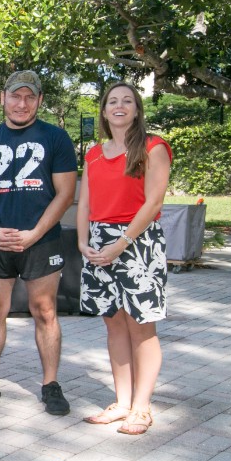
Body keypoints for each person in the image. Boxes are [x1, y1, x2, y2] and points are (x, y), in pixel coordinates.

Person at [0, 70, 77, 415]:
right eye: (15, 96)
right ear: (3, 98)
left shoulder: (56, 138)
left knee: (45, 311)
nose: (21, 103)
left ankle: (50, 384)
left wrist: (35, 234)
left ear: (39, 100)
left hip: (40, 239)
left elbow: (66, 193)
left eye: (29, 97)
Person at [78, 82, 172, 435]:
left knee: (141, 327)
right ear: (103, 111)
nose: (119, 106)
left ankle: (142, 407)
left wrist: (122, 243)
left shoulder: (153, 147)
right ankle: (122, 402)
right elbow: (84, 202)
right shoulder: (93, 154)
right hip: (99, 244)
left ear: (136, 109)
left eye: (127, 101)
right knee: (114, 322)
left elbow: (154, 203)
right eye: (112, 101)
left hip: (138, 241)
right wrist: (83, 242)